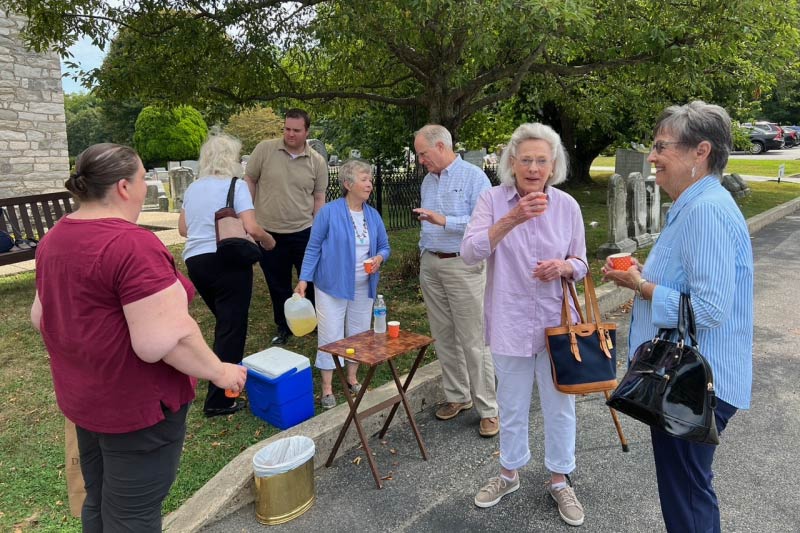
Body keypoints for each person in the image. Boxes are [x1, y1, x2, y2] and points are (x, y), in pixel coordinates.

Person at [30, 143, 247, 532]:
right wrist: (221, 372)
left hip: (86, 402)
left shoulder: (54, 239)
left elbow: (40, 316)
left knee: (98, 501)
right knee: (133, 517)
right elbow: (165, 340)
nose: (146, 185)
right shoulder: (132, 244)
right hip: (137, 410)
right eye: (144, 177)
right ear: (124, 187)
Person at [603, 101, 753, 533]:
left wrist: (640, 287)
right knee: (686, 487)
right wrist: (641, 275)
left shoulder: (705, 210)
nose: (652, 157)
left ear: (700, 151)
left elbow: (708, 309)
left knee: (687, 493)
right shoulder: (696, 203)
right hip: (684, 378)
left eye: (661, 147)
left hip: (692, 384)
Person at [461, 123, 588, 526]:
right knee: (512, 406)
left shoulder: (567, 206)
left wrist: (564, 265)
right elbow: (469, 252)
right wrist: (513, 218)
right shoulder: (492, 200)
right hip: (509, 322)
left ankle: (559, 479)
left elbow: (583, 264)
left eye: (541, 161)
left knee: (560, 407)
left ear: (553, 167)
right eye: (526, 160)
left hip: (556, 324)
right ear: (511, 163)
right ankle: (508, 473)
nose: (533, 168)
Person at [179, 133, 276, 417]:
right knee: (231, 329)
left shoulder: (194, 188)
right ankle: (220, 399)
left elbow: (184, 229)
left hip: (197, 262)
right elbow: (252, 227)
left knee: (225, 323)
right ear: (230, 159)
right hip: (228, 260)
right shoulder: (236, 185)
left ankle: (218, 374)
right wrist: (269, 242)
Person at [413, 124, 499, 438]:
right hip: (432, 263)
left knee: (474, 340)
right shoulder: (427, 180)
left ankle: (489, 409)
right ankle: (457, 396)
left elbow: (485, 225)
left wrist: (442, 220)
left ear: (440, 146)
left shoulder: (474, 177)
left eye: (423, 153)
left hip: (463, 265)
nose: (421, 160)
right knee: (443, 335)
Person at [294, 159, 390, 409]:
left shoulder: (372, 214)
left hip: (363, 286)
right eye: (364, 179)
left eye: (370, 179)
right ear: (348, 184)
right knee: (331, 335)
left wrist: (379, 258)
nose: (369, 184)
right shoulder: (329, 212)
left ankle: (351, 377)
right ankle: (326, 389)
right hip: (332, 285)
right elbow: (313, 247)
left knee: (358, 333)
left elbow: (385, 246)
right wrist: (304, 279)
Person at [245, 108, 328, 346]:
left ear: (306, 131)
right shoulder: (264, 149)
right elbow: (249, 179)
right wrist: (248, 214)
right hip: (269, 232)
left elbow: (319, 198)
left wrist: (318, 231)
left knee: (309, 279)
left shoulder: (317, 162)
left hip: (304, 231)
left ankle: (312, 323)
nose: (290, 134)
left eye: (296, 130)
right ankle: (284, 326)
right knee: (277, 283)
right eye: (287, 129)